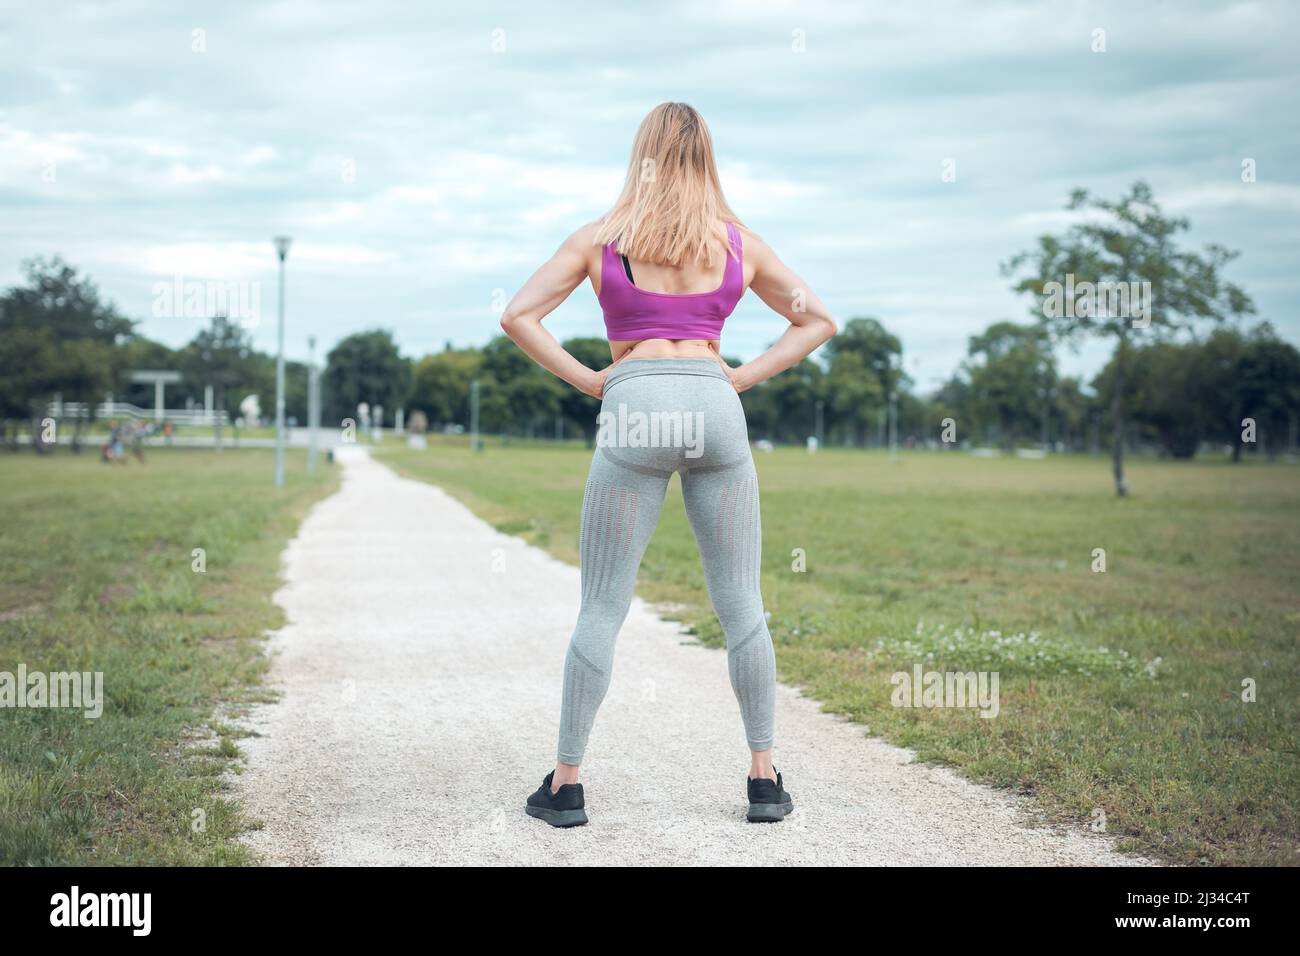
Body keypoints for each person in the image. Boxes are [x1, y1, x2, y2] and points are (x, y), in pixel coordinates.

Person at [500, 102, 837, 826]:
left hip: (635, 400)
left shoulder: (601, 239)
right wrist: (739, 377)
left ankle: (566, 786)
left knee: (602, 605)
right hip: (717, 405)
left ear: (643, 156)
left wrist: (592, 379)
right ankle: (764, 778)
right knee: (741, 602)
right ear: (705, 158)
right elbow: (817, 320)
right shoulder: (739, 244)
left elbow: (519, 315)